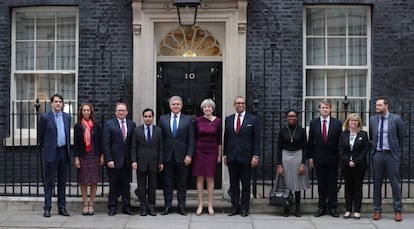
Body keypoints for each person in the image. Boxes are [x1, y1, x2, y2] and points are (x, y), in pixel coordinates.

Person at [158, 95, 195, 216]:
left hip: (183, 156)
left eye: (178, 104)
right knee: (167, 183)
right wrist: (160, 157)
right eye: (173, 104)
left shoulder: (188, 120)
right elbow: (159, 139)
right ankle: (167, 206)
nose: (175, 106)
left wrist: (189, 154)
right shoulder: (162, 119)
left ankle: (181, 206)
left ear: (181, 105)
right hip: (167, 156)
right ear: (169, 106)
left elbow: (191, 139)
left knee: (182, 183)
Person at [224, 96, 260, 217]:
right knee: (233, 184)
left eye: (243, 103)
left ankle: (244, 208)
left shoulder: (253, 119)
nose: (241, 105)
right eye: (238, 103)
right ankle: (235, 207)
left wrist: (256, 155)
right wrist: (225, 154)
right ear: (234, 105)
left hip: (246, 156)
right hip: (232, 156)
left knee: (245, 184)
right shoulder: (228, 119)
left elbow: (256, 139)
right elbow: (226, 137)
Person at [370, 97, 404, 222]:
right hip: (378, 155)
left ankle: (398, 210)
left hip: (391, 155)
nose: (377, 107)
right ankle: (377, 210)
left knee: (395, 184)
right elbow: (372, 137)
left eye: (379, 105)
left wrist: (397, 153)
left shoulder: (396, 119)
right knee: (376, 184)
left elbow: (401, 138)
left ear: (386, 106)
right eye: (376, 105)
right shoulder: (372, 120)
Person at [308, 99, 342, 217]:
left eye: (327, 107)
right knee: (321, 184)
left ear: (331, 109)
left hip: (333, 158)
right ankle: (322, 206)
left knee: (332, 183)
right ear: (319, 109)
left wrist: (339, 157)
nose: (325, 109)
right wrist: (311, 157)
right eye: (323, 107)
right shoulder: (313, 123)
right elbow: (310, 142)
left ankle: (333, 207)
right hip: (319, 158)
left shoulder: (337, 123)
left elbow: (340, 142)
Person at [38, 94, 71, 217]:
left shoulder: (67, 117)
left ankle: (62, 207)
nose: (58, 103)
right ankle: (47, 207)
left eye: (60, 101)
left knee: (62, 182)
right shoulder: (45, 117)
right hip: (51, 153)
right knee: (49, 182)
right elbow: (40, 136)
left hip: (63, 152)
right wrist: (46, 147)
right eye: (55, 101)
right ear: (51, 104)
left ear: (62, 104)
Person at [103, 102, 136, 216]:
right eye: (119, 110)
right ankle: (112, 207)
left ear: (127, 112)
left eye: (123, 110)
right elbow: (106, 144)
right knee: (114, 185)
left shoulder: (132, 124)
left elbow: (133, 144)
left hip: (126, 161)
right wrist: (109, 159)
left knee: (126, 185)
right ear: (115, 112)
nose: (121, 112)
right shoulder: (109, 124)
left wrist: (133, 160)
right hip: (113, 161)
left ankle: (126, 207)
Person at [131, 108, 164, 217]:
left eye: (150, 116)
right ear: (143, 117)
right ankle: (143, 208)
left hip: (154, 162)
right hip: (141, 162)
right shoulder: (137, 130)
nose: (148, 118)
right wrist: (134, 161)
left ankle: (151, 207)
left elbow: (161, 148)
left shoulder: (158, 130)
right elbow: (133, 147)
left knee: (152, 186)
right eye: (146, 116)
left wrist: (161, 161)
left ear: (153, 117)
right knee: (141, 186)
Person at [276, 109, 309, 217]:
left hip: (298, 156)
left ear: (297, 118)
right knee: (286, 183)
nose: (291, 118)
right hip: (285, 156)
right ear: (287, 118)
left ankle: (298, 208)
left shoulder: (302, 131)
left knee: (297, 183)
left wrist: (303, 163)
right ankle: (286, 208)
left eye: (293, 116)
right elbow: (278, 148)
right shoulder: (282, 131)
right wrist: (279, 164)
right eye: (289, 116)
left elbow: (305, 148)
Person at [192, 99, 222, 216]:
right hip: (200, 150)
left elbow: (219, 139)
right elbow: (194, 137)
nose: (207, 109)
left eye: (209, 107)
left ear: (213, 109)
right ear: (202, 109)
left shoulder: (218, 121)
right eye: (205, 107)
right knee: (200, 178)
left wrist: (219, 154)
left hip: (212, 151)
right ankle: (200, 204)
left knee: (210, 178)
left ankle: (210, 204)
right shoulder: (197, 120)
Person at [73, 103, 104, 216]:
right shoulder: (77, 126)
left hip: (94, 155)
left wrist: (102, 155)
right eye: (84, 110)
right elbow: (75, 144)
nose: (86, 112)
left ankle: (91, 204)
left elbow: (100, 142)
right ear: (81, 112)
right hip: (83, 156)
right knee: (83, 180)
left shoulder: (96, 126)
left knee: (94, 180)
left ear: (91, 112)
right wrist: (76, 157)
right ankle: (85, 204)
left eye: (88, 110)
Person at [338, 113, 368, 219]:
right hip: (346, 165)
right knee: (348, 188)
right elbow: (341, 150)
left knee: (357, 188)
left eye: (355, 120)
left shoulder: (363, 135)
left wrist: (355, 161)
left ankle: (357, 210)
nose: (353, 122)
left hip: (359, 166)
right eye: (351, 120)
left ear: (359, 122)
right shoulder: (343, 134)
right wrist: (348, 161)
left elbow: (364, 150)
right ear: (348, 122)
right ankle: (348, 210)